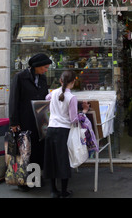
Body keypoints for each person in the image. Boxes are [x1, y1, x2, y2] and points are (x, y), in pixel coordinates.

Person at [9, 53, 52, 177]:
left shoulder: (43, 79)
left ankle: (35, 178)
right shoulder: (20, 77)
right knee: (24, 150)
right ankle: (22, 180)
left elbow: (45, 98)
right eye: (44, 67)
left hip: (39, 120)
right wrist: (13, 122)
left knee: (37, 149)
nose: (46, 70)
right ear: (36, 66)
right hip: (24, 119)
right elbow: (13, 100)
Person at [43, 70, 80, 198]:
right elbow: (73, 119)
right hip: (63, 131)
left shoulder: (53, 93)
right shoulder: (72, 98)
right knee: (63, 161)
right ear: (73, 82)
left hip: (51, 129)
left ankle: (53, 191)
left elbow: (46, 98)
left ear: (60, 81)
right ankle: (64, 191)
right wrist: (84, 113)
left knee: (51, 160)